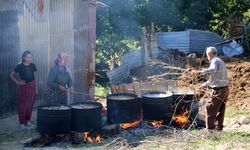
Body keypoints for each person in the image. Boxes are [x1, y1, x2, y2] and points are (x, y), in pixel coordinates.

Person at [192, 46, 229, 131]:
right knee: (220, 109)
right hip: (225, 89)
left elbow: (212, 70)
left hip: (219, 90)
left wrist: (199, 72)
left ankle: (210, 130)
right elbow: (214, 78)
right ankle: (219, 128)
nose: (207, 57)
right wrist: (204, 85)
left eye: (207, 55)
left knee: (209, 107)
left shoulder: (215, 61)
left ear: (209, 54)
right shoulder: (220, 61)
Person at [10, 51, 37, 129]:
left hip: (32, 86)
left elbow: (35, 78)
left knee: (30, 105)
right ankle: (21, 123)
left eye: (31, 57)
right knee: (23, 105)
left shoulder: (33, 66)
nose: (30, 58)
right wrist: (18, 83)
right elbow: (11, 75)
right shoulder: (19, 66)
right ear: (24, 58)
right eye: (28, 57)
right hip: (24, 87)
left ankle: (28, 121)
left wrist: (36, 89)